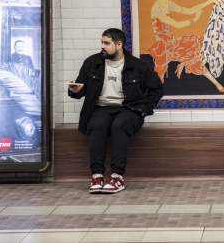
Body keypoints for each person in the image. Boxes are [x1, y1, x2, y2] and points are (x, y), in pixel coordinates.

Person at [68, 28, 163, 194]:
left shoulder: (138, 66)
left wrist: (144, 109)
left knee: (119, 125)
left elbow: (157, 89)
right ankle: (97, 175)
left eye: (107, 43)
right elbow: (80, 89)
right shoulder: (92, 63)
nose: (102, 46)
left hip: (129, 108)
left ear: (119, 44)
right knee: (97, 125)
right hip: (101, 108)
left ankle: (117, 177)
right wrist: (75, 91)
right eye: (102, 42)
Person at [149, 0, 224, 93]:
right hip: (163, 46)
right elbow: (177, 24)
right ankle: (157, 96)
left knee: (197, 49)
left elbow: (188, 10)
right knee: (159, 76)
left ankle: (217, 84)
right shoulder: (158, 7)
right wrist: (195, 19)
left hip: (171, 42)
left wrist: (210, 1)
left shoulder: (168, 3)